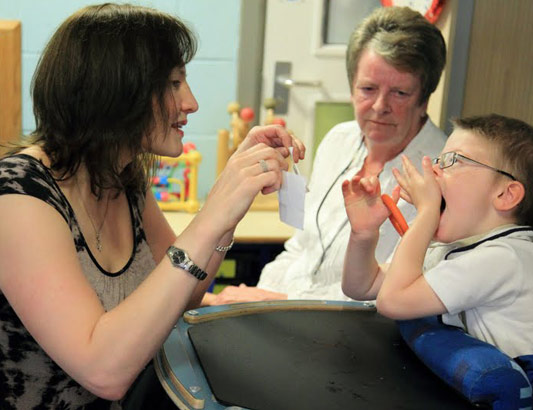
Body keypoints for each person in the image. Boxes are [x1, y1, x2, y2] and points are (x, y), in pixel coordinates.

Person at [0, 4, 305, 409]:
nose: (191, 102)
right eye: (174, 83)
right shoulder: (20, 195)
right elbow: (103, 370)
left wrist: (229, 211)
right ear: (117, 90)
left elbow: (188, 292)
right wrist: (212, 212)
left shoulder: (123, 178)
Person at [205, 6, 447, 305]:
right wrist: (256, 298)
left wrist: (278, 303)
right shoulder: (338, 141)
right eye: (368, 89)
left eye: (400, 93)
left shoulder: (439, 174)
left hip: (355, 326)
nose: (380, 106)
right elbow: (301, 247)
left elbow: (398, 289)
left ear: (424, 98)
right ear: (351, 88)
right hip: (285, 307)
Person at [341, 113, 533, 358]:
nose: (432, 169)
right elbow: (362, 286)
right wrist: (363, 235)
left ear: (505, 195)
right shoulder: (463, 249)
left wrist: (427, 213)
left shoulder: (507, 259)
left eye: (453, 160)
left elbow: (392, 302)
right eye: (440, 158)